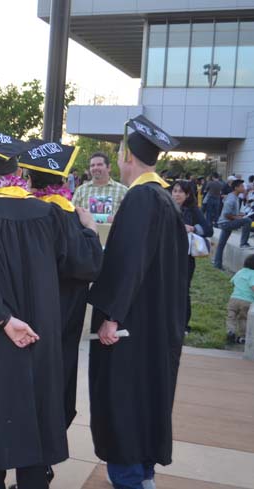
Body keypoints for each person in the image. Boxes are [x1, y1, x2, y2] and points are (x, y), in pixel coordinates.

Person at [0, 135, 100, 489]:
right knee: (34, 426)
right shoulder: (49, 214)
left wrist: (4, 318)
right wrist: (90, 232)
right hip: (39, 338)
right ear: (20, 173)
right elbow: (82, 265)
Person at [88, 115, 188, 489]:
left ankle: (130, 478)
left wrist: (111, 316)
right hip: (157, 322)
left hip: (130, 324)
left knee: (124, 398)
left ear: (127, 154)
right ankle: (143, 475)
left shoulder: (141, 198)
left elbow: (128, 263)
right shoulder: (165, 198)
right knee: (149, 395)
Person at [21, 145, 104, 432]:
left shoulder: (25, 216)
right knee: (59, 375)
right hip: (65, 317)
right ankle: (49, 444)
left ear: (29, 180)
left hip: (28, 314)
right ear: (63, 181)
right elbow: (90, 266)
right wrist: (91, 229)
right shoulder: (72, 217)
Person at [171, 180, 213, 335]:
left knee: (182, 290)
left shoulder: (193, 210)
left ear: (187, 194)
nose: (176, 194)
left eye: (180, 191)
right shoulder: (167, 207)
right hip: (167, 255)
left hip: (185, 258)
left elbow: (209, 230)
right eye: (174, 191)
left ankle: (183, 326)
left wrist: (193, 228)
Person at [71, 152, 128, 223]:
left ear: (109, 167)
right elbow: (72, 216)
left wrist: (115, 219)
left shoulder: (123, 190)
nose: (95, 168)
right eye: (92, 165)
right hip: (86, 233)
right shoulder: (81, 190)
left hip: (114, 233)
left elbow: (130, 217)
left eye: (99, 164)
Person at [213, 179, 253, 270]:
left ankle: (217, 264)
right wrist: (238, 218)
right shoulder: (231, 198)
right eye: (242, 186)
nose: (244, 188)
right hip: (226, 223)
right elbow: (226, 214)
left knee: (221, 244)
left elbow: (230, 213)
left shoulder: (234, 197)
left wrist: (239, 215)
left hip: (226, 222)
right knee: (247, 221)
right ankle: (243, 243)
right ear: (236, 188)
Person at [227, 255, 254, 345]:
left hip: (234, 299)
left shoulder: (239, 272)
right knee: (243, 319)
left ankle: (231, 331)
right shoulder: (253, 274)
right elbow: (252, 286)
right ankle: (243, 337)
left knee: (231, 316)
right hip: (247, 301)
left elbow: (233, 282)